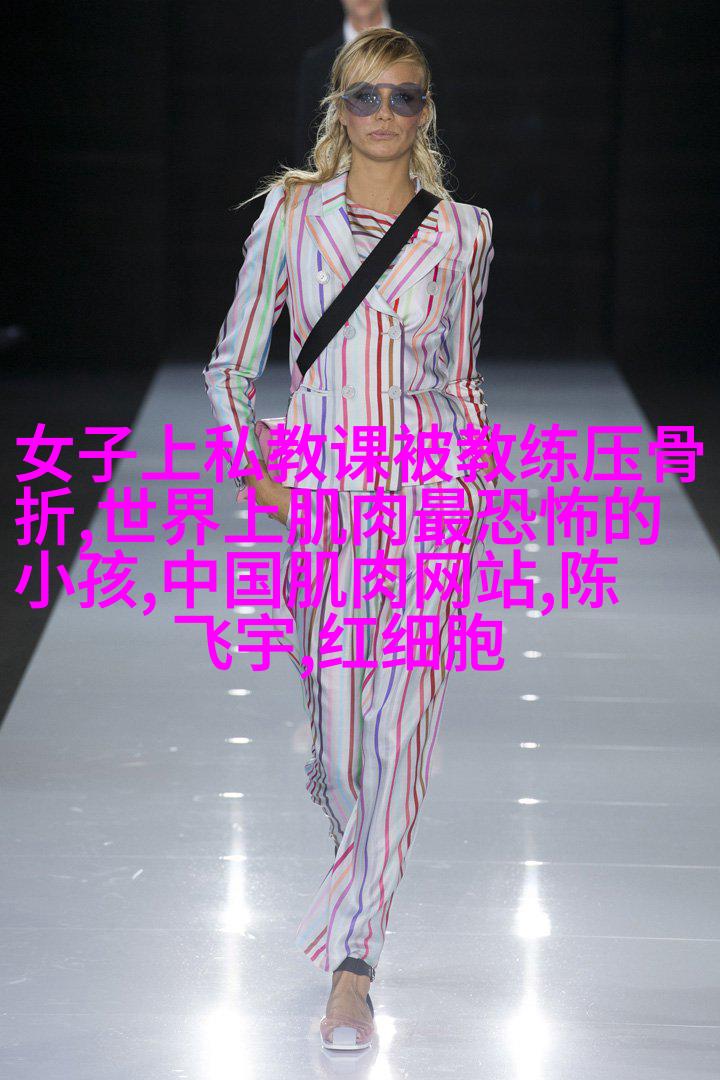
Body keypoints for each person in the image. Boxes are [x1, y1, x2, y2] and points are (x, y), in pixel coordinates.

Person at [203, 27, 496, 1051]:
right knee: (336, 737)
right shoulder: (293, 215)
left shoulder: (464, 232)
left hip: (431, 493)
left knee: (398, 726)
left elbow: (462, 378)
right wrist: (257, 466)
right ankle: (357, 866)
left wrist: (473, 481)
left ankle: (354, 962)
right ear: (338, 105)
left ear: (426, 110)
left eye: (404, 96)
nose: (384, 113)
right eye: (365, 95)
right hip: (325, 493)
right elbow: (232, 363)